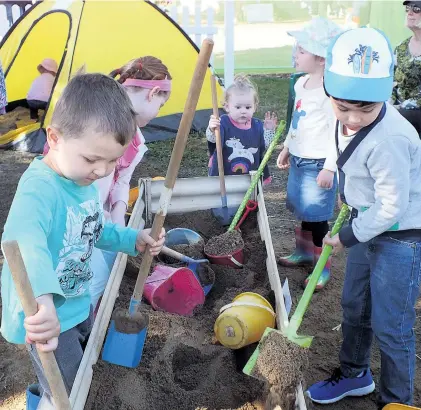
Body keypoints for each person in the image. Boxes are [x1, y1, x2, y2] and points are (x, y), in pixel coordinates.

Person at [0, 73, 165, 408]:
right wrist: (42, 302)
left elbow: (95, 227)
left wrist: (132, 238)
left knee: (79, 366)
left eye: (112, 161)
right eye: (92, 159)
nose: (102, 171)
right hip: (48, 315)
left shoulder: (82, 182)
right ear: (55, 138)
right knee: (64, 391)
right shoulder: (39, 190)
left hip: (76, 301)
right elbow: (25, 245)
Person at [306, 27, 421, 409]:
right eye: (343, 108)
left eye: (365, 109)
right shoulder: (338, 108)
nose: (353, 118)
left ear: (385, 95)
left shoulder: (391, 139)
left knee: (392, 326)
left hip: (401, 234)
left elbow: (391, 207)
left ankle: (397, 401)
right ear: (329, 91)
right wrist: (350, 199)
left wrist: (348, 235)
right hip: (365, 221)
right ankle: (355, 374)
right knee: (355, 305)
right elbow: (347, 155)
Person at [43, 56, 172, 313]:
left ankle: (87, 319)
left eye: (111, 160)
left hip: (94, 215)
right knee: (83, 278)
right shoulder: (93, 125)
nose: (102, 169)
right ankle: (78, 320)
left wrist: (122, 228)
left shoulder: (135, 140)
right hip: (73, 216)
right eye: (161, 104)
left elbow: (119, 184)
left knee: (99, 274)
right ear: (153, 93)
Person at [276, 17, 342, 290]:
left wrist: (330, 167)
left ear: (322, 59)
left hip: (319, 163)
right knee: (303, 208)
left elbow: (338, 130)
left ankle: (321, 266)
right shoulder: (301, 84)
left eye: (302, 50)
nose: (295, 54)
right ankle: (304, 252)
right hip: (301, 160)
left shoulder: (330, 90)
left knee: (317, 217)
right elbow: (296, 121)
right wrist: (288, 147)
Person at [206, 74, 277, 184]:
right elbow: (213, 140)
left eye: (248, 107)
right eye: (238, 107)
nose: (243, 111)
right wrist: (212, 129)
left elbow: (265, 145)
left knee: (249, 199)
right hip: (225, 176)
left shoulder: (257, 125)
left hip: (250, 176)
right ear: (227, 106)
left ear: (255, 107)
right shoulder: (223, 122)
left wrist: (269, 130)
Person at [390, 1, 421, 137]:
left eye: (416, 9)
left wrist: (400, 109)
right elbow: (392, 82)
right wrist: (388, 105)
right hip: (399, 115)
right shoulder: (401, 47)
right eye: (408, 8)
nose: (410, 12)